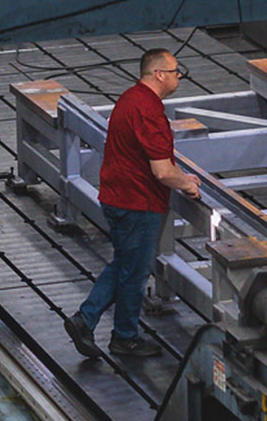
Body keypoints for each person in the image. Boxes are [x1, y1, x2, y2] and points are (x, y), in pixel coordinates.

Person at [64, 48, 201, 358]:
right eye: (176, 70)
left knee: (126, 264)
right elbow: (162, 170)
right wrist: (187, 185)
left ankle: (84, 320)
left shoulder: (129, 99)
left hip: (117, 196)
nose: (180, 76)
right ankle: (124, 337)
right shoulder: (149, 111)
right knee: (135, 272)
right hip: (137, 203)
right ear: (159, 74)